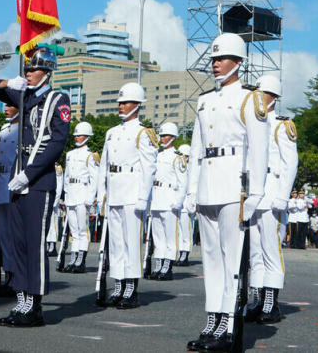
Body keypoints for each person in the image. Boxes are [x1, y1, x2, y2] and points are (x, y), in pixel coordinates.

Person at [184, 32, 268, 352]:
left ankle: (229, 326)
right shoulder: (205, 100)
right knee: (211, 260)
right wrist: (192, 190)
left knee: (232, 261)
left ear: (238, 62)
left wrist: (256, 193)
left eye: (222, 59)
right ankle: (213, 321)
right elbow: (196, 150)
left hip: (235, 186)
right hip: (207, 184)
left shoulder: (250, 98)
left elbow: (259, 150)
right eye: (214, 59)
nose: (216, 64)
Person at [0, 46, 71, 327]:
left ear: (47, 71)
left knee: (34, 244)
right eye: (27, 70)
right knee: (18, 244)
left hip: (38, 182)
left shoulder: (58, 99)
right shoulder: (24, 96)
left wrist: (29, 174)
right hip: (16, 180)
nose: (29, 73)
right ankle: (21, 300)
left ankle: (34, 304)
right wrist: (11, 83)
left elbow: (57, 142)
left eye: (33, 69)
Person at [96, 81, 158, 309]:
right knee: (117, 243)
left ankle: (131, 286)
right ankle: (119, 283)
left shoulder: (144, 133)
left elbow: (149, 168)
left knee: (131, 242)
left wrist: (144, 197)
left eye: (125, 102)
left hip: (132, 194)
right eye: (120, 103)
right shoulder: (112, 133)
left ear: (137, 105)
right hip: (114, 193)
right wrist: (101, 193)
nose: (121, 106)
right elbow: (104, 165)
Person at [246, 74, 297, 323]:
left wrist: (283, 196)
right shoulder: (251, 124)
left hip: (272, 194)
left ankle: (271, 303)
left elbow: (291, 164)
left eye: (263, 94)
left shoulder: (280, 125)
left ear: (274, 98)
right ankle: (256, 299)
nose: (258, 98)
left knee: (270, 251)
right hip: (253, 195)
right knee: (254, 251)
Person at [148, 122, 187, 281]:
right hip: (157, 199)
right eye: (161, 135)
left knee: (170, 236)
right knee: (158, 237)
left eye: (165, 136)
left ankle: (167, 266)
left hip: (170, 199)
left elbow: (183, 181)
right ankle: (158, 265)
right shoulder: (156, 155)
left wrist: (178, 201)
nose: (162, 138)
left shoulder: (178, 158)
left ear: (173, 137)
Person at [62, 121, 99, 273]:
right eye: (76, 135)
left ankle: (81, 260)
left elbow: (94, 178)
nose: (76, 137)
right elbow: (66, 176)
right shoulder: (70, 155)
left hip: (83, 195)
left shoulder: (91, 155)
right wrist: (65, 194)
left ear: (87, 136)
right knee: (74, 230)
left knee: (83, 230)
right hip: (71, 194)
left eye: (80, 135)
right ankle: (73, 259)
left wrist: (90, 198)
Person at [0, 103, 19, 296]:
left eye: (10, 105)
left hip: (13, 187)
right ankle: (5, 275)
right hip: (1, 187)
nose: (5, 108)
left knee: (13, 236)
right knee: (3, 236)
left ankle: (14, 277)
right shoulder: (4, 131)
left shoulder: (24, 130)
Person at [45, 165, 64, 256]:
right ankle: (48, 244)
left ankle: (52, 244)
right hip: (46, 198)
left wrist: (55, 201)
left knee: (53, 223)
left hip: (53, 199)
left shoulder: (57, 167)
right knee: (46, 223)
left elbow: (59, 186)